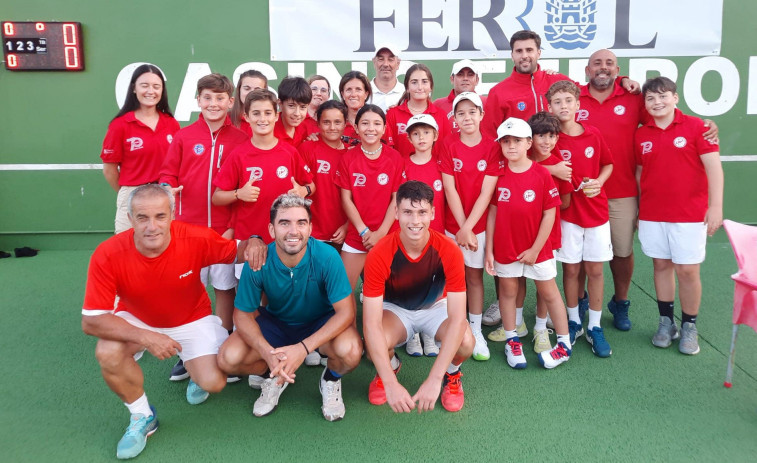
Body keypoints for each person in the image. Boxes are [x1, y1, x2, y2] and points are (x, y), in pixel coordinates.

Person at [81, 184, 245, 459]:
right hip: (137, 320)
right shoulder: (108, 253)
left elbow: (236, 251)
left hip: (192, 319)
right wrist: (148, 338)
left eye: (160, 216)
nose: (151, 226)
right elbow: (91, 321)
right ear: (131, 219)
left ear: (172, 214)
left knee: (213, 383)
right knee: (107, 351)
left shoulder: (195, 237)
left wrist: (256, 243)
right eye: (142, 217)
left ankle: (193, 366)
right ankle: (142, 416)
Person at [578, 49, 719, 332]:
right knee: (582, 255)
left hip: (623, 191)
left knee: (622, 252)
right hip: (583, 192)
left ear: (617, 70)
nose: (602, 68)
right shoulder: (574, 96)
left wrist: (706, 125)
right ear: (587, 70)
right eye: (597, 64)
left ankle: (621, 302)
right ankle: (581, 302)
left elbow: (663, 115)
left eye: (609, 64)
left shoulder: (633, 98)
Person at [218, 194, 362, 420]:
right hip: (277, 324)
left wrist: (302, 349)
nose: (293, 231)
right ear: (272, 229)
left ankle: (330, 379)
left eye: (301, 223)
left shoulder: (327, 256)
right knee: (228, 358)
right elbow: (243, 315)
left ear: (310, 228)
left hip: (319, 323)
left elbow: (346, 312)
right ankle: (273, 374)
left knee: (352, 351)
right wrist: (267, 353)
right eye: (284, 223)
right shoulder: (259, 258)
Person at [158, 73, 249, 382]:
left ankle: (221, 345)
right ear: (198, 100)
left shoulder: (240, 139)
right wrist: (167, 189)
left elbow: (242, 193)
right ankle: (190, 352)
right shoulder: (183, 137)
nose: (213, 103)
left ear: (230, 102)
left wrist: (232, 228)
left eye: (219, 98)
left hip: (223, 233)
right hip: (186, 231)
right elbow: (167, 175)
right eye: (207, 98)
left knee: (225, 290)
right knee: (190, 292)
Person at [363, 181, 474, 413]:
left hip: (435, 307)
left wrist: (434, 378)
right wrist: (392, 385)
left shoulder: (449, 249)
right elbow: (371, 325)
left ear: (432, 213)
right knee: (375, 345)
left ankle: (451, 375)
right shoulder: (379, 253)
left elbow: (457, 318)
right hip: (397, 309)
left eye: (422, 212)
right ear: (396, 212)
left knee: (465, 341)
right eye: (407, 212)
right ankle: (390, 369)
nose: (415, 221)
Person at [634, 76, 723, 355]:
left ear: (675, 98)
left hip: (689, 215)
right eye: (650, 98)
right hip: (652, 213)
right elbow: (640, 173)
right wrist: (638, 208)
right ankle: (666, 323)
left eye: (663, 96)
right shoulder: (641, 134)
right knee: (661, 266)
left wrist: (716, 207)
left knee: (687, 270)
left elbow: (714, 169)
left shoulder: (698, 128)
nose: (657, 102)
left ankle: (689, 325)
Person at [484, 117, 572, 370]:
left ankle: (564, 345)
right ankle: (513, 338)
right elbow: (492, 213)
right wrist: (489, 249)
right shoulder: (498, 175)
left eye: (517, 141)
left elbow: (550, 213)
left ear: (528, 143)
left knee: (549, 293)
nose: (511, 146)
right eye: (506, 141)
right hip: (505, 247)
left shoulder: (542, 173)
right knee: (508, 292)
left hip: (539, 250)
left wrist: (535, 249)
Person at [212, 88, 315, 279]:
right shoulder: (239, 155)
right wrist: (238, 194)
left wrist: (303, 190)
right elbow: (217, 197)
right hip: (249, 241)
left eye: (268, 113)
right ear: (247, 117)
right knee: (249, 301)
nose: (262, 119)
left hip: (283, 241)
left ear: (276, 116)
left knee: (279, 301)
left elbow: (311, 186)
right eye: (256, 113)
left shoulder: (289, 152)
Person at [547, 80, 614, 358]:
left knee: (596, 270)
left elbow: (608, 163)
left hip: (596, 211)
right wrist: (555, 168)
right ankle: (573, 321)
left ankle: (595, 326)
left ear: (578, 104)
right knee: (572, 270)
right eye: (557, 102)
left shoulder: (593, 134)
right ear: (550, 107)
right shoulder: (549, 137)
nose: (564, 106)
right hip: (568, 214)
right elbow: (535, 163)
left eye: (568, 101)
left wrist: (598, 181)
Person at [439, 92, 500, 361]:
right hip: (453, 225)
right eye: (461, 113)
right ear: (454, 118)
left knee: (474, 277)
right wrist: (462, 228)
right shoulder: (447, 144)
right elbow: (449, 188)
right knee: (450, 279)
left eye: (472, 112)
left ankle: (474, 330)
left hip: (479, 226)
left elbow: (487, 193)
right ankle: (453, 326)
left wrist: (469, 229)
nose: (467, 118)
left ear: (481, 115)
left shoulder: (492, 146)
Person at [101, 64, 180, 233]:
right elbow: (109, 170)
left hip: (163, 195)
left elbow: (177, 164)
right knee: (126, 249)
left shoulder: (171, 123)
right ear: (134, 89)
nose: (150, 91)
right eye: (144, 85)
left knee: (165, 248)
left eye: (156, 86)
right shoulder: (120, 125)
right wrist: (130, 194)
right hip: (133, 195)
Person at [335, 104, 405, 294]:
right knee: (342, 290)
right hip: (358, 235)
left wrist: (381, 233)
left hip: (388, 234)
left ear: (384, 128)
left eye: (376, 124)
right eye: (365, 123)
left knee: (392, 291)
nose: (371, 128)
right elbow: (346, 199)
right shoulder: (348, 158)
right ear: (356, 128)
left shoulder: (395, 158)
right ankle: (347, 324)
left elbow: (396, 199)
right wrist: (364, 231)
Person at [526, 111, 573, 352]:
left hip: (547, 233)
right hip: (519, 231)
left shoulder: (560, 165)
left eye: (552, 136)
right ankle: (514, 324)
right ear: (530, 137)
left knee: (544, 282)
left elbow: (564, 202)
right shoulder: (521, 157)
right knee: (513, 279)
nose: (547, 141)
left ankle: (541, 327)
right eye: (541, 135)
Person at [402, 114, 445, 357]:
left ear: (435, 136)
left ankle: (429, 333)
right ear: (409, 137)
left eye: (426, 133)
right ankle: (412, 334)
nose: (421, 138)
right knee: (411, 282)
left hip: (437, 236)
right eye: (416, 134)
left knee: (433, 284)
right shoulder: (403, 164)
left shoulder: (441, 164)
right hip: (410, 236)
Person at [298, 100, 349, 248]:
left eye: (337, 122)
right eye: (326, 122)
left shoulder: (351, 155)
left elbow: (358, 198)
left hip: (342, 235)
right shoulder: (307, 148)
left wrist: (347, 226)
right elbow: (299, 189)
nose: (332, 127)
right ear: (318, 124)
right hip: (311, 234)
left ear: (345, 124)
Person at [385, 63, 452, 157]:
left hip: (433, 171)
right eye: (414, 82)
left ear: (431, 87)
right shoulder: (393, 114)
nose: (420, 87)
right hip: (401, 171)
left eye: (424, 82)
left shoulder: (440, 115)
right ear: (407, 88)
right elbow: (387, 151)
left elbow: (447, 149)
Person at [432, 59, 488, 132]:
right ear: (452, 79)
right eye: (460, 74)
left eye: (470, 75)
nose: (465, 78)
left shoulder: (487, 102)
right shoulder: (438, 105)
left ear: (477, 80)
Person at [274, 76, 312, 148]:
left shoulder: (304, 128)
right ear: (280, 103)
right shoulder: (270, 130)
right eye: (291, 106)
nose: (297, 113)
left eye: (303, 107)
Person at [338, 70, 372, 143]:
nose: (353, 94)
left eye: (358, 89)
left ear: (366, 94)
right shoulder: (335, 122)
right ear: (343, 94)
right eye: (349, 90)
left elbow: (387, 151)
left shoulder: (377, 120)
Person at [230, 69, 268, 135]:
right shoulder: (227, 120)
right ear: (239, 90)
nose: (251, 93)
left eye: (257, 90)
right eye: (247, 88)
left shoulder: (271, 120)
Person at [370, 45, 404, 112]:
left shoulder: (406, 93)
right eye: (381, 59)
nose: (385, 64)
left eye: (390, 60)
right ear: (374, 62)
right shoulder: (364, 93)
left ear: (398, 64)